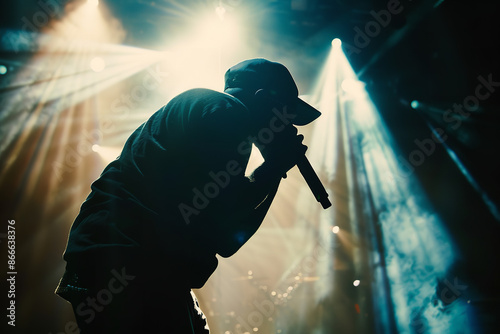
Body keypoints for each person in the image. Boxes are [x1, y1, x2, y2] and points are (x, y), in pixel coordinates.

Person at [55, 58, 321, 333]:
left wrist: (274, 170)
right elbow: (227, 234)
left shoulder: (204, 108)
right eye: (286, 115)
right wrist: (273, 166)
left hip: (124, 259)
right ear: (263, 99)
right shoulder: (228, 113)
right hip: (128, 263)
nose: (288, 127)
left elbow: (228, 235)